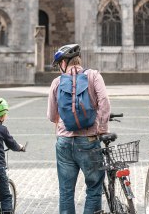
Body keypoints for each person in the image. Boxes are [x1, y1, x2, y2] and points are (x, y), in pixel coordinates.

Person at [47, 43, 111, 214]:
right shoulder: (94, 76)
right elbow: (104, 101)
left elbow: (52, 115)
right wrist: (102, 127)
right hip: (89, 140)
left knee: (66, 191)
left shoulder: (57, 82)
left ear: (63, 63)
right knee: (94, 187)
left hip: (64, 142)